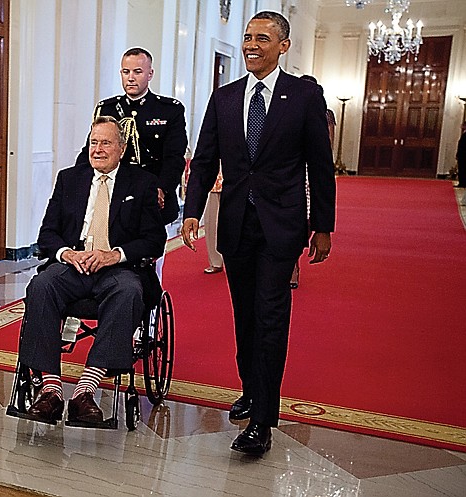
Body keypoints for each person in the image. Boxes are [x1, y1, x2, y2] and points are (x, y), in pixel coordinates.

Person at [181, 11, 336, 456]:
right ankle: (252, 389)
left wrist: (322, 226)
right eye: (247, 37)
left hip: (280, 227)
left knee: (271, 320)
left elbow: (320, 167)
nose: (251, 45)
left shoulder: (304, 96)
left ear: (282, 46)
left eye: (262, 38)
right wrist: (192, 213)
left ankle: (263, 421)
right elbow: (205, 159)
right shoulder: (225, 98)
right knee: (244, 317)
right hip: (236, 226)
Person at [19, 116, 166, 425]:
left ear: (122, 149)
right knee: (40, 287)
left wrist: (116, 255)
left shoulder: (142, 183)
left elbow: (155, 241)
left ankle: (86, 389)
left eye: (106, 143)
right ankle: (51, 389)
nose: (98, 149)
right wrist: (67, 253)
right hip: (74, 265)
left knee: (128, 291)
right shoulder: (69, 179)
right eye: (93, 142)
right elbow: (47, 234)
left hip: (118, 270)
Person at [76, 47, 188, 227]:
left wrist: (162, 189)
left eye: (138, 72)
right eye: (126, 72)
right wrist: (77, 181)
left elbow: (174, 158)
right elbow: (90, 150)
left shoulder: (169, 110)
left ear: (150, 74)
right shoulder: (107, 109)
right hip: (114, 195)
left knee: (150, 251)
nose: (131, 78)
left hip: (152, 195)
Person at [290, 74, 337, 289]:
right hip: (292, 171)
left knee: (306, 218)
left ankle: (295, 254)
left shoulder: (326, 114)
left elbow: (327, 145)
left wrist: (323, 227)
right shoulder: (287, 108)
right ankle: (292, 262)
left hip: (311, 171)